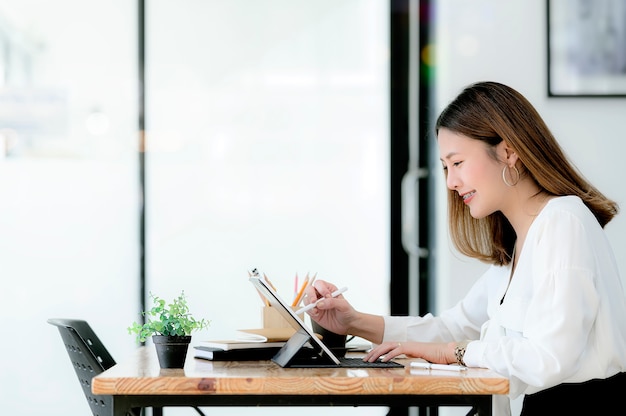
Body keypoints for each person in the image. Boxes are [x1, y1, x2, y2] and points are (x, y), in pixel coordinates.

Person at [303, 81, 626, 416]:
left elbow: (549, 357)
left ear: (508, 151)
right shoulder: (517, 247)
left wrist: (457, 352)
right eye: (446, 167)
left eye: (457, 163)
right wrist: (352, 321)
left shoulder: (563, 222)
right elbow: (454, 328)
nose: (450, 182)